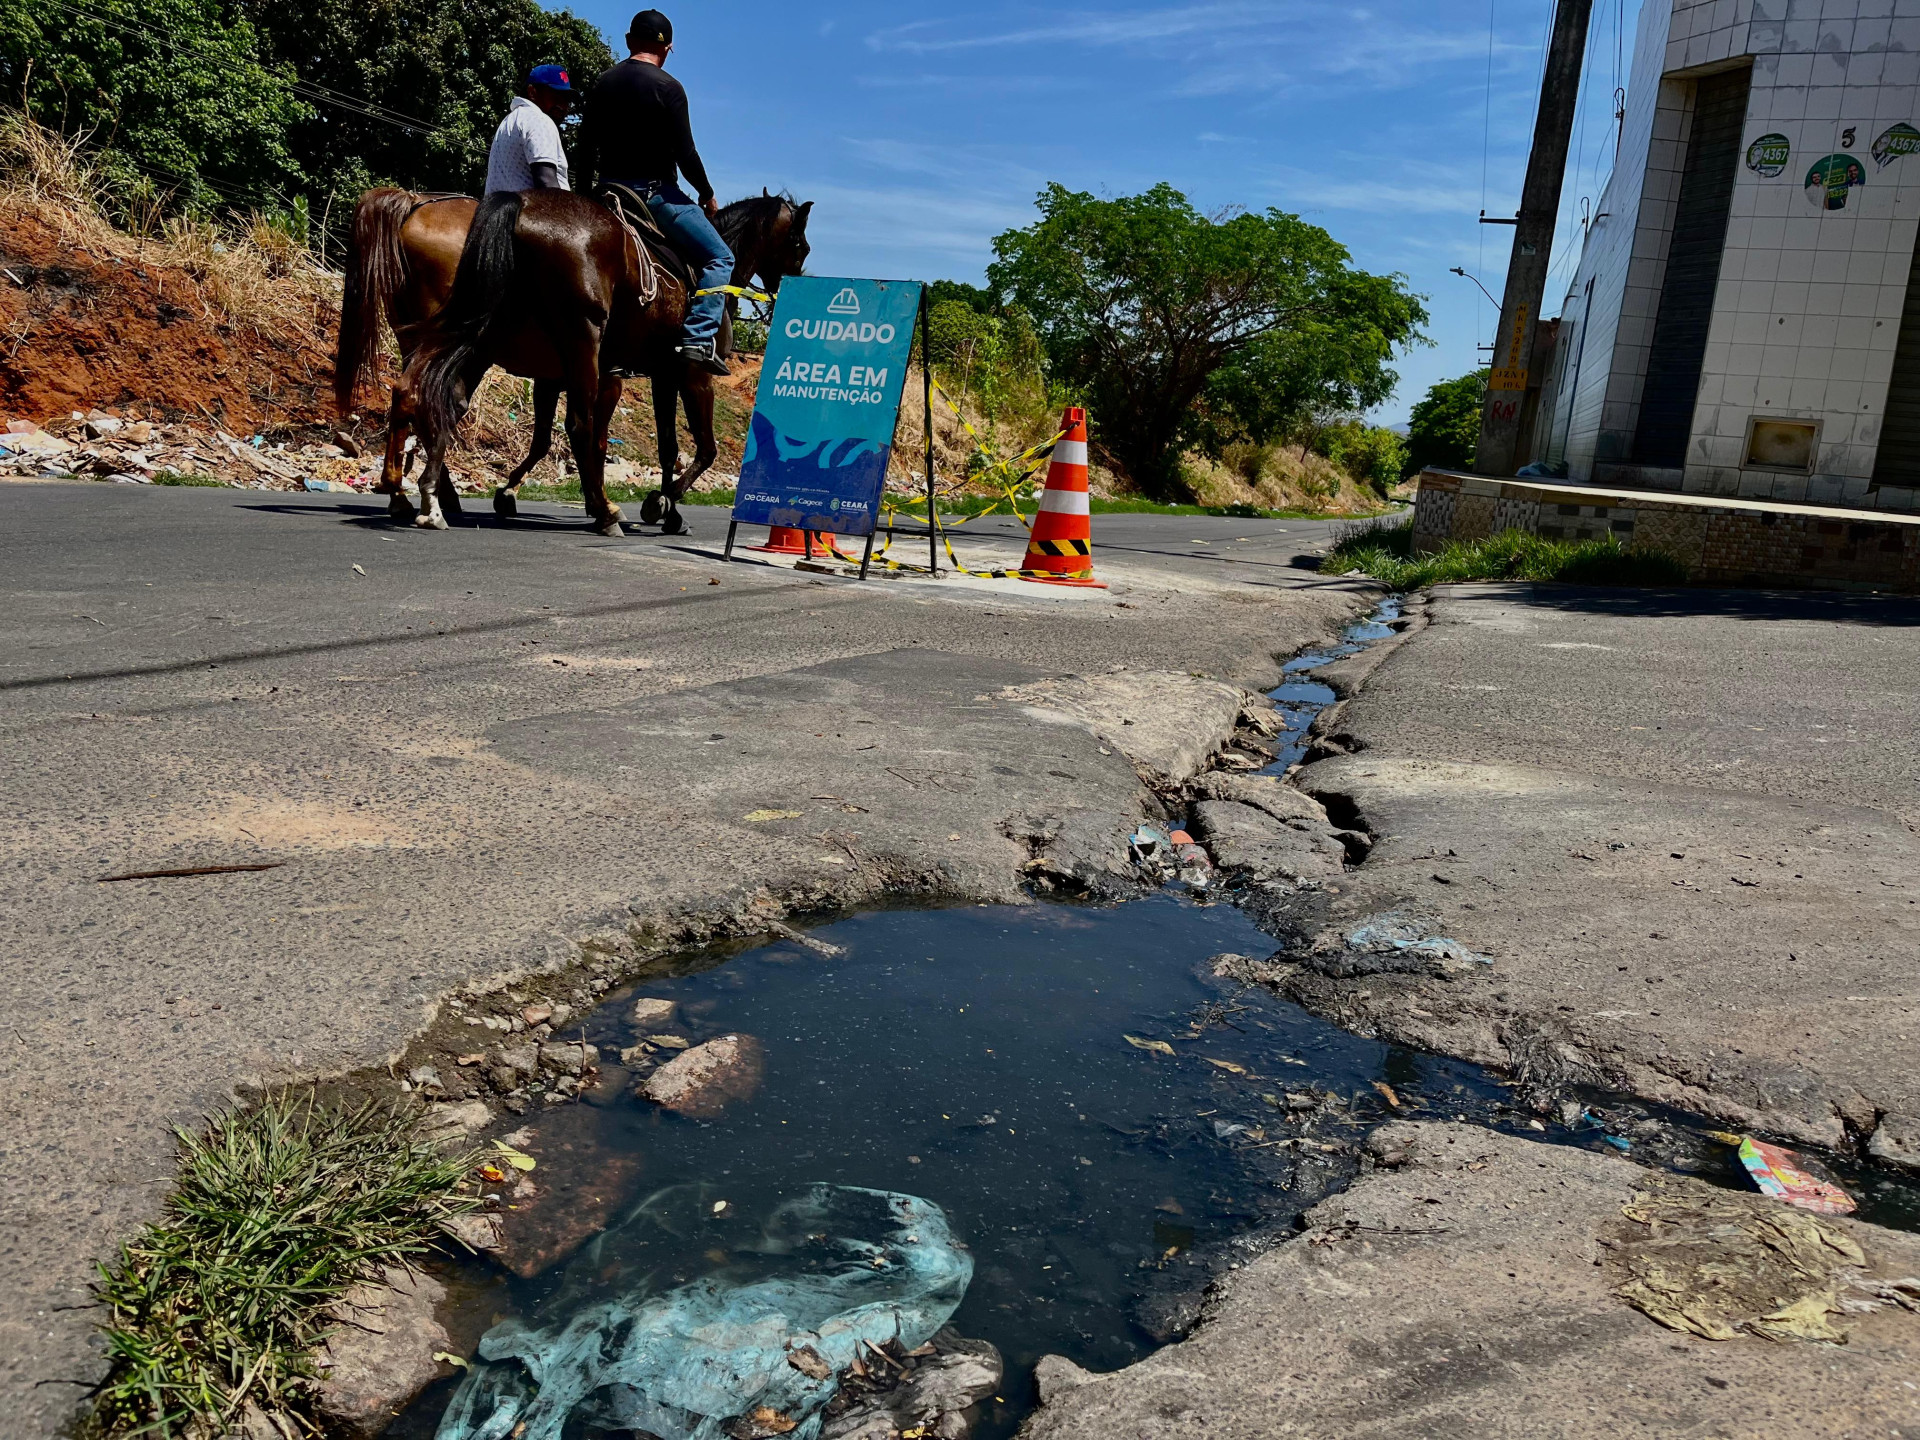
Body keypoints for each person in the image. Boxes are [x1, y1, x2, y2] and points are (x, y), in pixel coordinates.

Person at [578, 9, 733, 375]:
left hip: (608, 194)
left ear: (630, 41)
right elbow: (685, 152)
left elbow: (585, 148)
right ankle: (697, 339)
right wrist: (707, 192)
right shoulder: (669, 88)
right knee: (720, 258)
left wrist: (584, 197)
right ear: (667, 50)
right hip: (655, 196)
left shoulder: (602, 82)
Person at [485, 65, 574, 194]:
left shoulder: (509, 121)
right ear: (532, 92)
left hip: (496, 211)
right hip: (527, 212)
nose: (562, 105)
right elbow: (546, 182)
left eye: (567, 99)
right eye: (556, 96)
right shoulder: (539, 119)